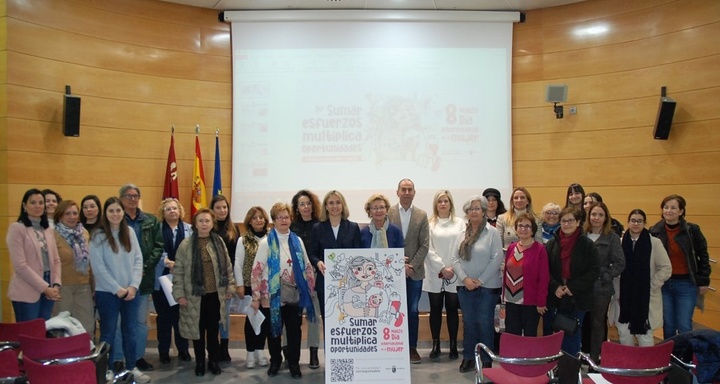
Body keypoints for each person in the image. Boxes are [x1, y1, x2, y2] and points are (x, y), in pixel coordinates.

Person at [250, 203, 316, 379]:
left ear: (290, 219)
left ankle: (294, 363)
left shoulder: (297, 240)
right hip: (272, 297)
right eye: (280, 217)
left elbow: (307, 266)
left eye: (286, 217)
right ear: (274, 220)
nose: (284, 220)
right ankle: (275, 361)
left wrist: (309, 289)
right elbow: (256, 270)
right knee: (274, 331)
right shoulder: (266, 242)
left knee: (294, 332)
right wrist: (256, 296)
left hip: (295, 294)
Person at [89, 197, 150, 383]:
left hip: (131, 292)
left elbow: (138, 260)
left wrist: (133, 286)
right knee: (108, 332)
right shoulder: (98, 236)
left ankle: (131, 367)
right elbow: (98, 268)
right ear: (105, 214)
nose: (115, 214)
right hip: (107, 293)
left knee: (130, 330)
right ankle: (108, 370)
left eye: (118, 211)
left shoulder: (129, 232)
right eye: (111, 211)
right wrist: (117, 289)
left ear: (123, 212)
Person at [173, 208, 236, 377]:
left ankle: (213, 361)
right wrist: (179, 293)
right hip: (194, 296)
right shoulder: (186, 245)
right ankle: (200, 361)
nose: (204, 224)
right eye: (201, 221)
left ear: (212, 223)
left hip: (216, 295)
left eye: (207, 221)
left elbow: (228, 267)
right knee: (198, 331)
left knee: (213, 330)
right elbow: (178, 271)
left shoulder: (219, 242)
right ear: (195, 223)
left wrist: (230, 287)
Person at [112, 184, 163, 372]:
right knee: (118, 323)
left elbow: (158, 246)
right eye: (128, 195)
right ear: (120, 198)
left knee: (141, 322)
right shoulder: (115, 220)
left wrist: (144, 268)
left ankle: (138, 357)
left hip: (143, 279)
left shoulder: (150, 220)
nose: (132, 199)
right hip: (119, 280)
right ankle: (118, 359)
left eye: (136, 195)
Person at [452, 195, 503, 373]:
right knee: (469, 322)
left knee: (484, 322)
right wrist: (465, 279)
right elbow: (454, 259)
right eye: (470, 209)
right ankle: (468, 357)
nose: (474, 211)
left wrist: (479, 281)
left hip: (487, 287)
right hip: (464, 286)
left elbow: (497, 259)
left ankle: (487, 360)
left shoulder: (492, 232)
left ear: (483, 211)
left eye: (477, 208)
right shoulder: (461, 234)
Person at [649, 194, 711, 339]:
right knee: (668, 323)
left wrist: (703, 281)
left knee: (684, 324)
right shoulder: (654, 231)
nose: (669, 211)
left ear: (681, 211)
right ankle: (670, 357)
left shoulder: (692, 230)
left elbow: (703, 256)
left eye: (673, 208)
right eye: (666, 207)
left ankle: (685, 357)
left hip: (686, 284)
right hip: (663, 284)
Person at [544, 207, 599, 356]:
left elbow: (594, 271)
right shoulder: (551, 244)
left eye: (570, 220)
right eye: (563, 221)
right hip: (556, 296)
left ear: (578, 222)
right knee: (554, 332)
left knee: (572, 331)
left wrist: (572, 287)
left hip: (578, 296)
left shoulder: (587, 244)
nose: (567, 224)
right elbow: (544, 270)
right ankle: (554, 366)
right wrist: (555, 286)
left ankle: (571, 367)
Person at [388, 179, 429, 364]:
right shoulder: (387, 213)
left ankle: (411, 348)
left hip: (414, 273)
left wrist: (410, 266)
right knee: (391, 311)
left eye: (409, 189)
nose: (406, 192)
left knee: (412, 311)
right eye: (403, 189)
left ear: (414, 192)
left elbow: (425, 245)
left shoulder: (422, 215)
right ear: (397, 192)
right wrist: (397, 265)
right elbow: (384, 243)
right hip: (390, 273)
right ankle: (393, 347)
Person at [616, 209, 671, 346]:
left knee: (645, 336)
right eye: (633, 220)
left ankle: (646, 366)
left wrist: (650, 286)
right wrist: (617, 292)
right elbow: (615, 269)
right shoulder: (619, 242)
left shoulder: (654, 243)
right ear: (628, 222)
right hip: (623, 297)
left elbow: (666, 268)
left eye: (639, 221)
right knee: (624, 332)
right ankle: (627, 365)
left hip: (646, 298)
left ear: (645, 223)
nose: (636, 224)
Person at [7, 188, 62, 321]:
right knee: (29, 334)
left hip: (49, 286)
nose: (37, 206)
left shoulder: (47, 229)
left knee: (43, 331)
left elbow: (56, 260)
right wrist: (44, 288)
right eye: (33, 202)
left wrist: (56, 284)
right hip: (27, 289)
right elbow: (20, 266)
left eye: (40, 203)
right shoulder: (17, 229)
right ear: (25, 206)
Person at [422, 190, 464, 359]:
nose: (443, 204)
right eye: (440, 201)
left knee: (453, 309)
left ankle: (453, 345)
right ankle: (436, 344)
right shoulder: (430, 224)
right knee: (435, 309)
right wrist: (441, 268)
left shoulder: (460, 223)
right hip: (435, 272)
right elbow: (428, 248)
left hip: (455, 272)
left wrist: (452, 267)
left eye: (446, 201)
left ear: (450, 203)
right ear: (436, 204)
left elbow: (462, 246)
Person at [584, 202, 625, 363]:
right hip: (580, 287)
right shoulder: (581, 234)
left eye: (600, 215)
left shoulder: (612, 237)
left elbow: (620, 263)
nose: (596, 218)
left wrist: (606, 276)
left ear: (606, 217)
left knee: (597, 323)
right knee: (579, 323)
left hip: (601, 289)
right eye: (593, 214)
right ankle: (579, 356)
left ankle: (595, 359)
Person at [153, 198, 192, 364]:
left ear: (180, 210)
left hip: (183, 280)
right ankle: (163, 351)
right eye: (168, 209)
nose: (172, 211)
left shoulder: (190, 229)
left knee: (181, 316)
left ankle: (183, 349)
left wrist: (180, 264)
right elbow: (153, 249)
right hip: (161, 278)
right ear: (163, 212)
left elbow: (192, 251)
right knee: (164, 318)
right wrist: (167, 262)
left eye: (174, 208)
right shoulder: (156, 230)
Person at [289, 190, 323, 369]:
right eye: (301, 204)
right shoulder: (290, 226)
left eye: (308, 203)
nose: (305, 207)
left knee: (314, 316)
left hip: (314, 277)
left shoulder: (320, 225)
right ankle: (289, 353)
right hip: (294, 278)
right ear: (296, 207)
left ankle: (314, 352)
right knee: (292, 317)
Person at [234, 206, 271, 369]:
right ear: (249, 220)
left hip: (267, 287)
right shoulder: (243, 239)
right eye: (255, 217)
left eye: (261, 217)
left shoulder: (272, 238)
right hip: (249, 287)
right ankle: (249, 352)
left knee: (264, 321)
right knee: (251, 320)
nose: (259, 220)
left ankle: (259, 351)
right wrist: (240, 285)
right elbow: (237, 263)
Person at [51, 200, 95, 336]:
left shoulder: (84, 233)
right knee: (62, 329)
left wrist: (93, 285)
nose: (72, 217)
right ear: (60, 216)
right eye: (67, 213)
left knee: (87, 327)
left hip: (83, 287)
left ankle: (85, 356)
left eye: (75, 213)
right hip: (62, 288)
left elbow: (90, 262)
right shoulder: (52, 235)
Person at [503, 213, 550, 336]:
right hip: (511, 300)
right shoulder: (511, 248)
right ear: (516, 229)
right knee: (512, 335)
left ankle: (528, 356)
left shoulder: (540, 249)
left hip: (530, 301)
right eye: (520, 226)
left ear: (533, 229)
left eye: (527, 226)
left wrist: (541, 302)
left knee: (529, 336)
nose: (523, 229)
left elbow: (544, 278)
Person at [210, 195, 241, 363]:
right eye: (218, 208)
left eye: (225, 207)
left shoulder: (234, 228)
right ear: (212, 210)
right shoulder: (208, 228)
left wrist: (233, 282)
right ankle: (213, 348)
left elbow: (236, 257)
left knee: (225, 316)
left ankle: (224, 347)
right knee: (213, 315)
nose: (222, 210)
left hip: (228, 278)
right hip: (210, 279)